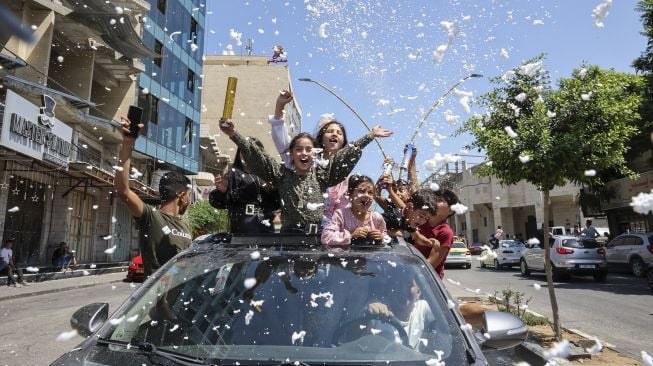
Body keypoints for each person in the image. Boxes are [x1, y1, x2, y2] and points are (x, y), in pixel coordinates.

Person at [220, 119, 384, 234]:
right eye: (299, 149)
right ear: (291, 153)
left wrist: (369, 136)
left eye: (308, 149)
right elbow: (258, 156)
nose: (304, 153)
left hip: (317, 237)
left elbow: (345, 155)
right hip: (289, 237)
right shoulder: (281, 174)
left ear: (315, 153)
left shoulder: (322, 175)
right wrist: (233, 133)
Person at [269, 90, 392, 226]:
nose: (334, 134)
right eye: (330, 131)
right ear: (321, 137)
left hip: (336, 232)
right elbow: (283, 143)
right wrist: (280, 106)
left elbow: (356, 204)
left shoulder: (346, 173)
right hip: (300, 231)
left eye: (339, 133)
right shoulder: (306, 161)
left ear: (344, 142)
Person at [115, 117, 192, 276]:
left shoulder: (185, 226)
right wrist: (127, 144)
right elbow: (123, 191)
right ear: (182, 195)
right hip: (159, 298)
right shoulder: (152, 217)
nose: (189, 201)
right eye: (189, 196)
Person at [209, 137, 279, 234]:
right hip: (242, 230)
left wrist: (273, 190)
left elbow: (277, 204)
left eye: (253, 151)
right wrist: (222, 192)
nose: (249, 155)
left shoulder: (268, 174)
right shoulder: (233, 174)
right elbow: (218, 202)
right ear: (239, 153)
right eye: (245, 151)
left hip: (266, 230)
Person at [322, 175, 387, 247]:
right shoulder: (341, 214)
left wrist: (381, 238)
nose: (366, 195)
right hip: (346, 256)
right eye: (361, 191)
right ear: (350, 194)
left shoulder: (377, 218)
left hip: (370, 257)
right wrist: (350, 234)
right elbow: (326, 237)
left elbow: (386, 238)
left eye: (370, 193)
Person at [408, 189, 459, 279]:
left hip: (426, 280)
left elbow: (429, 264)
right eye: (434, 199)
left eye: (440, 200)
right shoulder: (421, 221)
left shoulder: (445, 232)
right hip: (412, 272)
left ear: (451, 211)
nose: (434, 202)